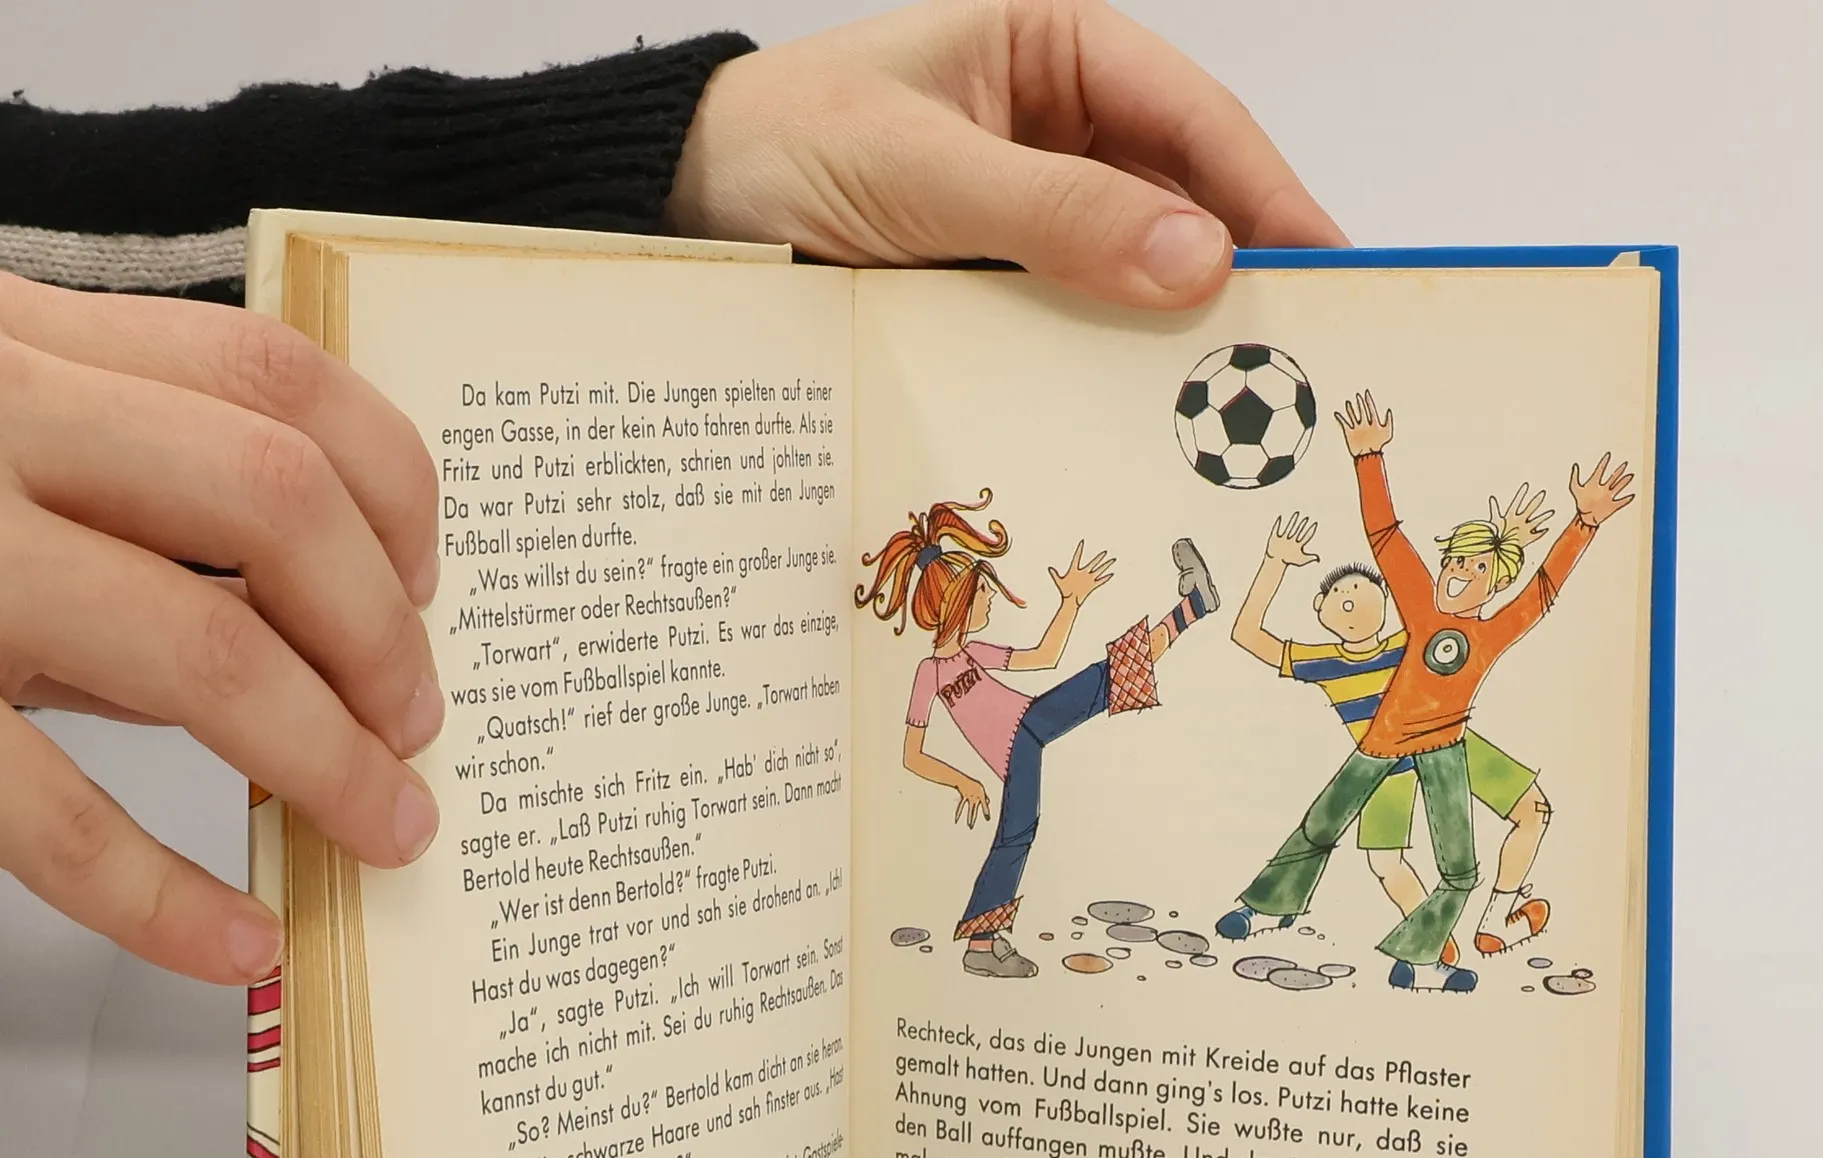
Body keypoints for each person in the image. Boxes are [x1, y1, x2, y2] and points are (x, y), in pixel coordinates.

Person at [0, 3, 1344, 987]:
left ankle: (1166, 636)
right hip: (1016, 742)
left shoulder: (960, 663)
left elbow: (1033, 657)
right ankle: (1047, 827)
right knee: (1039, 767)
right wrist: (955, 752)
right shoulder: (944, 673)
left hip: (1031, 727)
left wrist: (685, 158)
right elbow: (956, 714)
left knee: (1056, 732)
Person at [1216, 391, 1634, 992]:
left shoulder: (1491, 633)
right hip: (1381, 744)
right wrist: (1368, 458)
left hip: (1443, 752)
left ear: (1494, 585)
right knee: (1319, 828)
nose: (1458, 574)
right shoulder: (1418, 604)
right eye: (1454, 563)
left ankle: (1420, 960)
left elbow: (1543, 588)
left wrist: (1584, 522)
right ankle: (1264, 906)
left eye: (1476, 570)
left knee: (1459, 870)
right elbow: (1384, 536)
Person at [860, 493, 1217, 976]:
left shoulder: (974, 652)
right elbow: (912, 755)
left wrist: (1070, 602)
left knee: (1105, 678)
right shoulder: (930, 672)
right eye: (981, 592)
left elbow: (1044, 657)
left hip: (1030, 724)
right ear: (957, 604)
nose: (990, 598)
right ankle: (981, 946)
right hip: (1019, 744)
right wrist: (962, 780)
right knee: (1016, 835)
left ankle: (1193, 605)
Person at [1222, 504, 1559, 963]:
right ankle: (1428, 939)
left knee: (1531, 810)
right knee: (1381, 859)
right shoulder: (1325, 663)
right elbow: (1247, 635)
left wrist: (1507, 545)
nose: (1351, 602)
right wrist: (1273, 563)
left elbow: (1476, 608)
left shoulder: (1414, 637)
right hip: (1385, 764)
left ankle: (1492, 920)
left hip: (1448, 743)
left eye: (1362, 591)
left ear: (1386, 599)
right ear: (1320, 608)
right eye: (1339, 596)